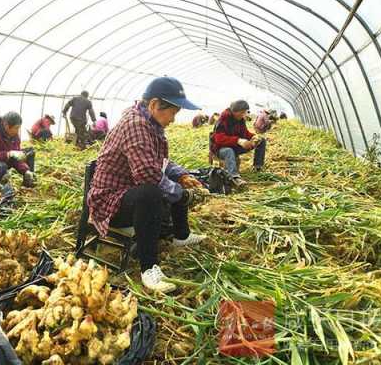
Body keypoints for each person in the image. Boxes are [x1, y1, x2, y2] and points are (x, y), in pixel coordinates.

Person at [88, 77, 208, 293]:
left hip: (127, 191)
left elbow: (159, 163)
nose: (173, 119)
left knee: (169, 185)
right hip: (109, 202)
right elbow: (148, 176)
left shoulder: (151, 125)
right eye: (172, 112)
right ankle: (148, 268)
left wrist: (181, 176)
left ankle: (181, 236)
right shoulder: (135, 125)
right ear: (154, 105)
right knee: (151, 192)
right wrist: (182, 195)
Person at [210, 100, 267, 187]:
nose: (244, 115)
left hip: (234, 146)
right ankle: (234, 177)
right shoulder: (224, 119)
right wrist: (238, 141)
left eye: (245, 112)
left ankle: (257, 166)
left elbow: (244, 133)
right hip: (220, 148)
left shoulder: (240, 119)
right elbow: (219, 139)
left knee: (261, 141)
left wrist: (253, 137)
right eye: (242, 112)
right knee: (229, 151)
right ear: (234, 111)